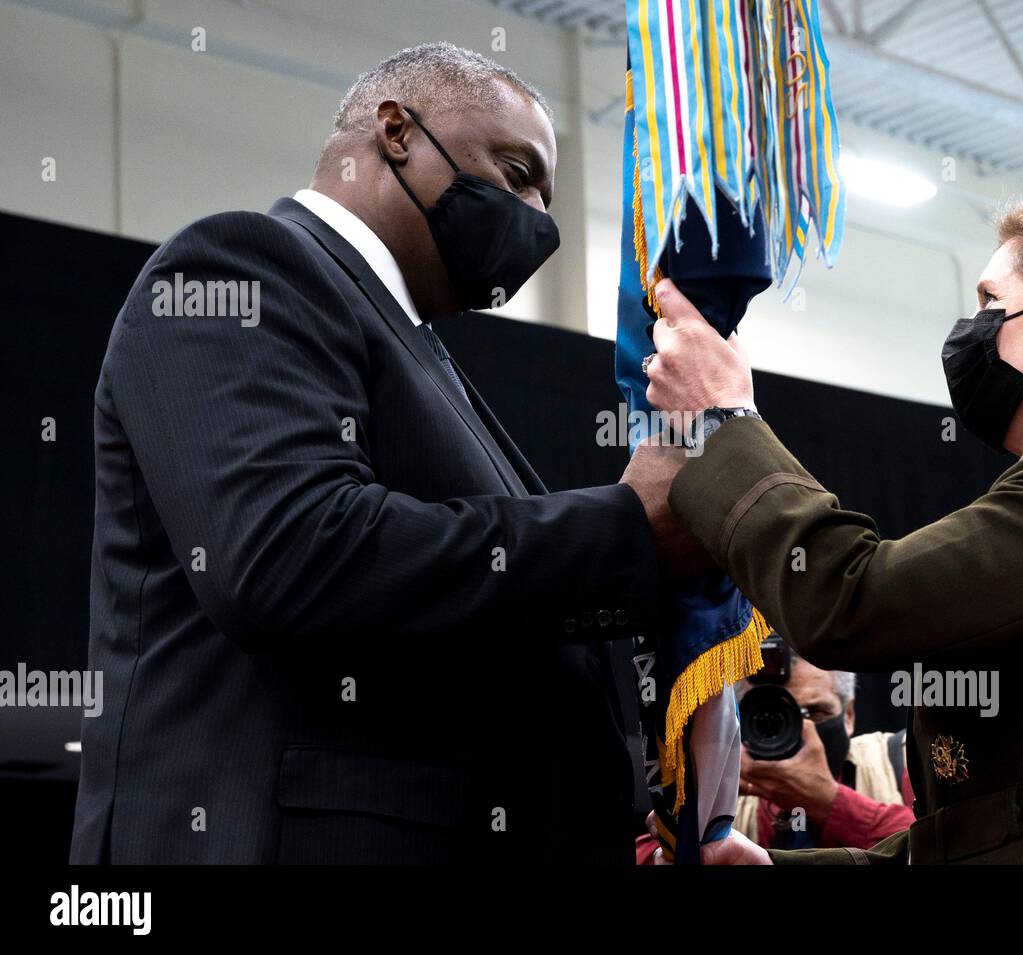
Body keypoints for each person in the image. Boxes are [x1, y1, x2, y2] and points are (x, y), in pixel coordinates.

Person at [71, 42, 694, 864]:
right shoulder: (243, 266)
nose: (537, 218)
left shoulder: (423, 352)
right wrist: (624, 529)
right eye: (516, 172)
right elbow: (288, 554)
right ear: (396, 131)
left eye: (548, 195)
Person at [630, 194, 1023, 864]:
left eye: (992, 302)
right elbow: (970, 839)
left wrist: (725, 421)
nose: (971, 329)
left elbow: (850, 600)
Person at [633, 651, 911, 862]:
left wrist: (830, 802)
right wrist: (685, 827)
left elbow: (939, 845)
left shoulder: (901, 759)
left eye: (814, 713)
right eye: (772, 718)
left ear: (849, 715)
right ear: (739, 718)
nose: (799, 733)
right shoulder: (720, 780)